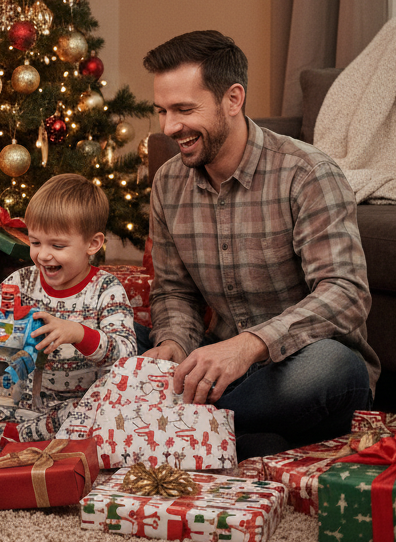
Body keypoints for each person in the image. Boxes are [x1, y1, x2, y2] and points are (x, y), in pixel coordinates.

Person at [141, 29, 377, 458]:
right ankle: (242, 437)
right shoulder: (168, 182)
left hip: (297, 366)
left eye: (184, 110)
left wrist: (248, 346)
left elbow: (346, 293)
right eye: (162, 111)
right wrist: (174, 344)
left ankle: (172, 424)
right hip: (218, 368)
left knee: (333, 369)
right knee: (120, 337)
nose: (170, 127)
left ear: (233, 99)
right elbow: (174, 291)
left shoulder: (308, 173)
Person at [0, 173, 136, 442]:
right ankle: (23, 430)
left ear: (92, 244)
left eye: (57, 245)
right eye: (35, 243)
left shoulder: (106, 289)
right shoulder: (21, 281)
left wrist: (78, 333)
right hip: (20, 395)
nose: (43, 255)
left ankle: (21, 434)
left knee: (101, 412)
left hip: (76, 401)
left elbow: (126, 354)